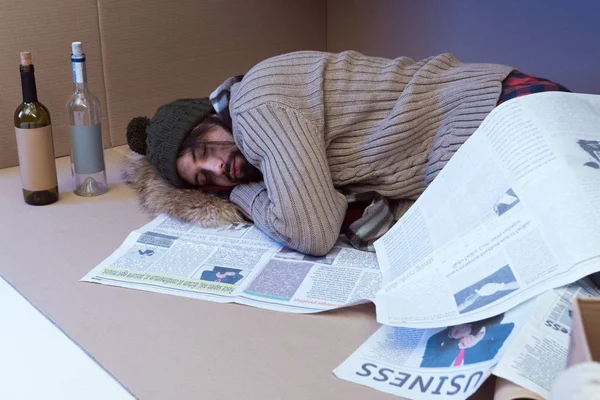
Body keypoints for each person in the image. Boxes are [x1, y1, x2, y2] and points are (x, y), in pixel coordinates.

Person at [124, 51, 569, 256]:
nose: (218, 167)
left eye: (205, 148)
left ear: (215, 116)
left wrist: (238, 197)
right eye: (205, 180)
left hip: (503, 114)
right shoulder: (266, 130)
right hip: (495, 119)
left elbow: (312, 233)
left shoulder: (255, 105)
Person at [419, 314, 514, 368]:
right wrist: (480, 337)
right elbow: (508, 329)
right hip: (490, 318)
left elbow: (432, 341)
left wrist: (451, 333)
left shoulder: (427, 371)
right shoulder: (482, 364)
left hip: (460, 320)